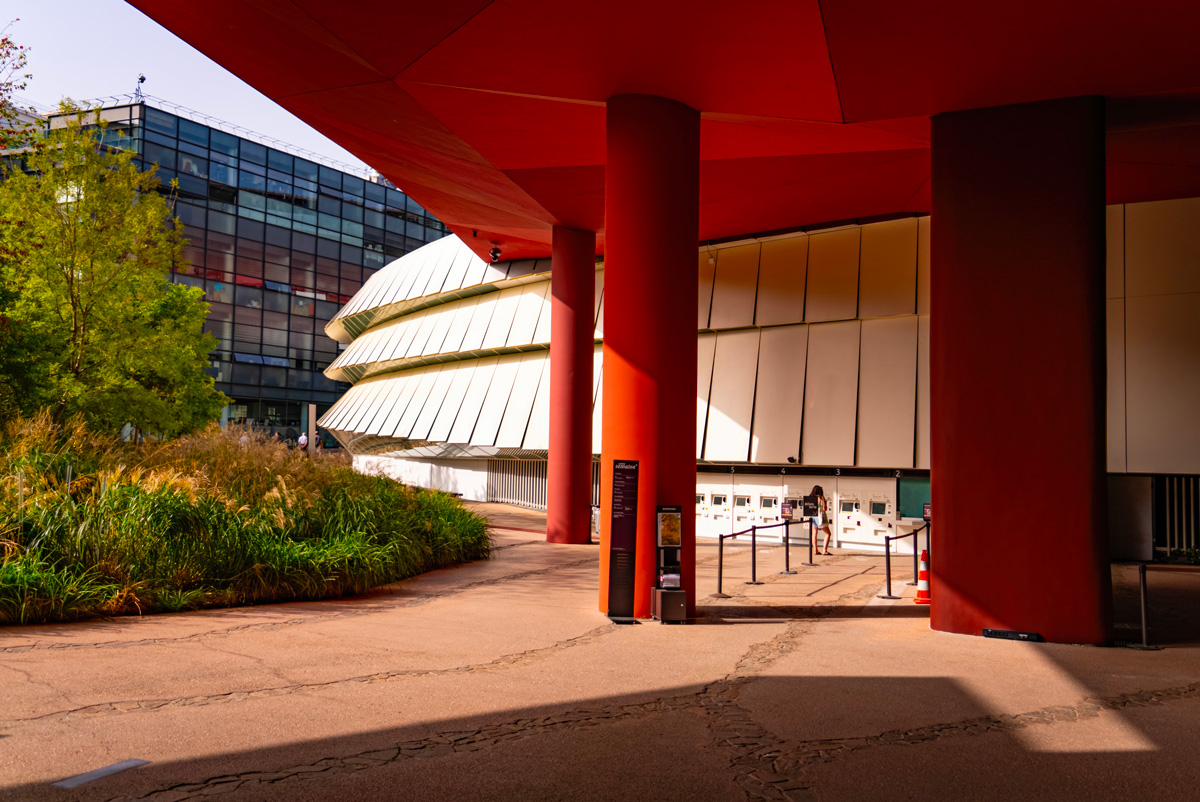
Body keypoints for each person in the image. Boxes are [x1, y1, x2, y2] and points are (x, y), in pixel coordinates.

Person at [810, 484, 834, 556]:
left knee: (814, 534)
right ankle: (824, 550)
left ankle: (815, 550)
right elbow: (824, 508)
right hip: (820, 517)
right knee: (828, 533)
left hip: (812, 516)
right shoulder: (821, 497)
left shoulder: (810, 498)